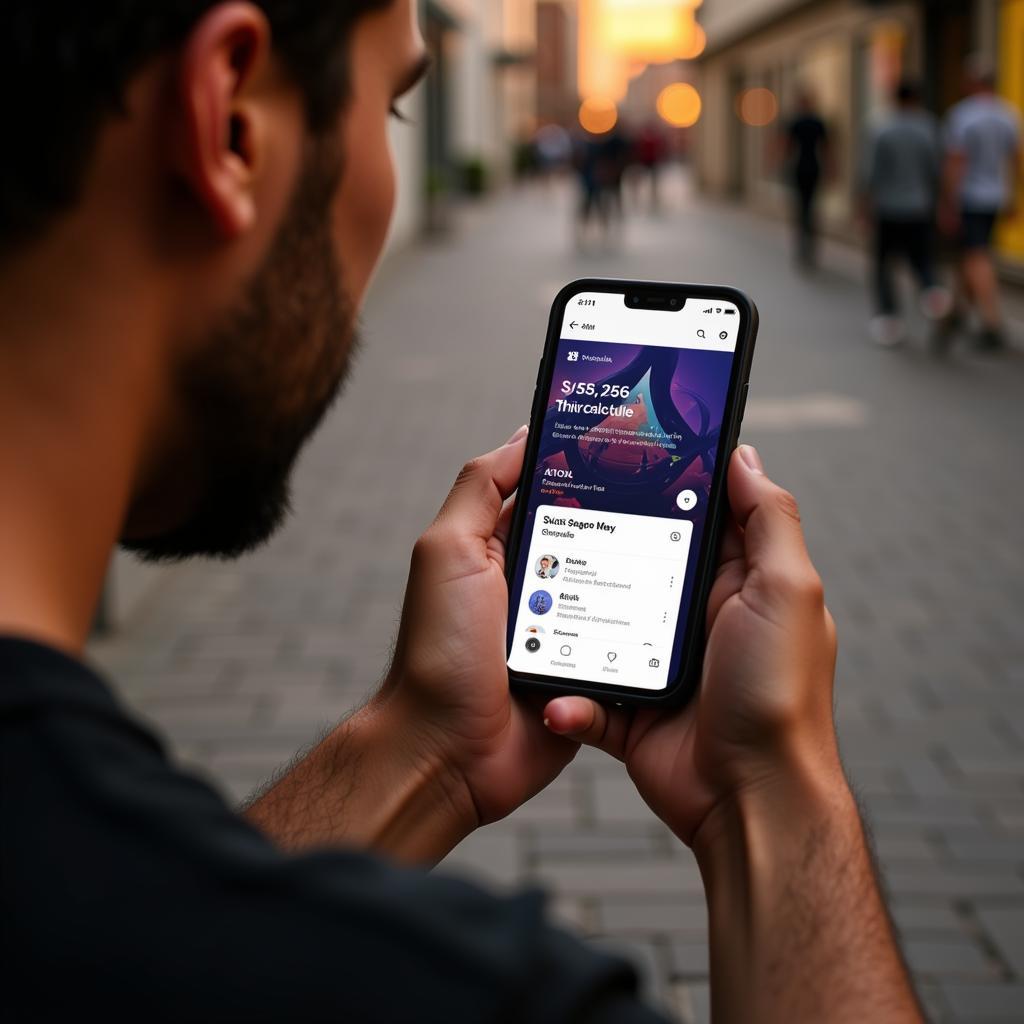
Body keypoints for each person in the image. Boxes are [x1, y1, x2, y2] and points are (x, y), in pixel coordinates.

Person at [0, 3, 924, 1022]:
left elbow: (160, 944)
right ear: (230, 124)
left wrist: (428, 742)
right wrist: (779, 794)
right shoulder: (467, 995)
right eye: (394, 109)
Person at [860, 79, 951, 347]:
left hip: (887, 208)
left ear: (894, 98)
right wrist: (943, 203)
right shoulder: (930, 128)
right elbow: (938, 171)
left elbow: (869, 173)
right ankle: (932, 295)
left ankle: (888, 320)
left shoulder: (880, 128)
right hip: (920, 206)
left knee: (883, 264)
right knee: (922, 259)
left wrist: (864, 208)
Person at [941, 55, 1022, 351]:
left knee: (977, 255)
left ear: (971, 82)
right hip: (996, 195)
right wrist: (1014, 195)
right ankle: (956, 312)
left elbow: (955, 162)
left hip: (971, 196)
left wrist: (949, 201)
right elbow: (1016, 161)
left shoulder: (963, 116)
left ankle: (992, 322)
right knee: (971, 253)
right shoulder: (1008, 114)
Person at [783, 89, 831, 270]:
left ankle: (804, 245)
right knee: (809, 208)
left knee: (802, 209)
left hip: (799, 169)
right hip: (812, 168)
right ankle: (808, 245)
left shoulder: (796, 121)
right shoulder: (817, 122)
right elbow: (827, 148)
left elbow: (786, 145)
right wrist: (832, 169)